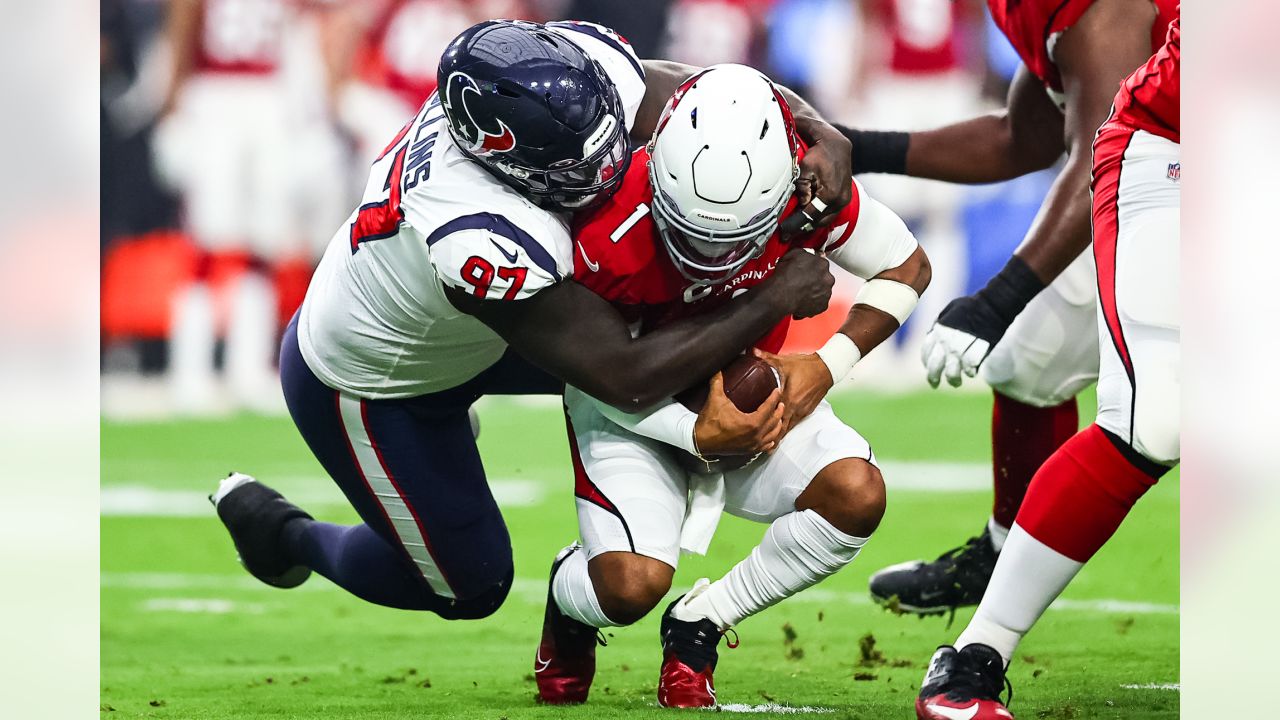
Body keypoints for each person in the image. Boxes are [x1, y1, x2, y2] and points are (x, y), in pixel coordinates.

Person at [210, 20, 852, 624]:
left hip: (476, 336)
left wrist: (811, 124)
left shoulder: (564, 81)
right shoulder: (475, 228)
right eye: (579, 171)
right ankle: (284, 537)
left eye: (607, 144)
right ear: (509, 168)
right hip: (381, 382)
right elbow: (623, 374)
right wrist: (769, 296)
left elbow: (703, 95)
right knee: (472, 584)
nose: (609, 176)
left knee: (691, 343)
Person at [533, 64, 931, 707]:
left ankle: (701, 623)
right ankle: (568, 599)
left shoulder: (807, 189)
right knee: (629, 586)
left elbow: (906, 264)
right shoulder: (601, 224)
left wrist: (826, 365)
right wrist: (694, 429)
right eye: (688, 234)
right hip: (627, 410)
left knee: (855, 494)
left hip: (746, 396)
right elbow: (599, 372)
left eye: (735, 241)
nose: (710, 258)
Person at [839, 0, 1178, 615]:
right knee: (1030, 369)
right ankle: (1001, 555)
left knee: (1163, 420)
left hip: (1196, 182)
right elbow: (1022, 137)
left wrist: (998, 300)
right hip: (1161, 180)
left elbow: (1103, 152)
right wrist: (857, 147)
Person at [915, 13, 1179, 719]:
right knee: (1152, 423)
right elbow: (1028, 133)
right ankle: (974, 657)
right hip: (1176, 149)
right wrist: (998, 300)